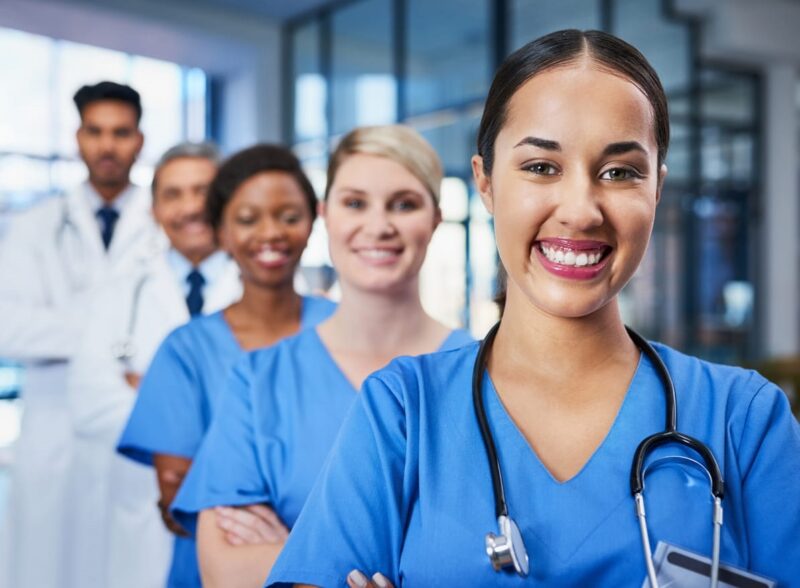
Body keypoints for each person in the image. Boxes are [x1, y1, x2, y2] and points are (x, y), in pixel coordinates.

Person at [266, 31, 800, 588]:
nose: (581, 210)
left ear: (657, 189)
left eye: (620, 172)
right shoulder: (403, 409)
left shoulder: (746, 420)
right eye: (542, 167)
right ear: (486, 183)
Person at [170, 124, 473, 588]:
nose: (379, 226)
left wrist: (298, 552)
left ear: (435, 217)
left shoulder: (486, 374)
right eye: (355, 203)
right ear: (324, 214)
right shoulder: (259, 379)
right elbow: (225, 572)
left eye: (405, 204)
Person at [117, 144, 336, 587]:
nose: (271, 233)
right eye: (248, 219)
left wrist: (281, 538)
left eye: (289, 216)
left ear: (314, 220)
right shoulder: (187, 351)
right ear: (220, 230)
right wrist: (312, 538)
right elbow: (180, 502)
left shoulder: (347, 330)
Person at [0, 81, 157, 588]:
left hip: (133, 429)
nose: (107, 145)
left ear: (139, 139)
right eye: (95, 131)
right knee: (45, 569)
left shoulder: (162, 224)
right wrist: (117, 338)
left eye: (120, 132)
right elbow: (9, 327)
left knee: (129, 567)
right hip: (52, 429)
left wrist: (66, 329)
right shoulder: (32, 225)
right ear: (77, 137)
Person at [64, 141, 241, 588]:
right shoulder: (121, 292)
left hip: (243, 516)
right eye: (173, 194)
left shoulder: (267, 289)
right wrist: (223, 401)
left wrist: (155, 394)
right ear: (154, 208)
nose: (190, 208)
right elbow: (89, 407)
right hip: (145, 520)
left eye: (203, 191)